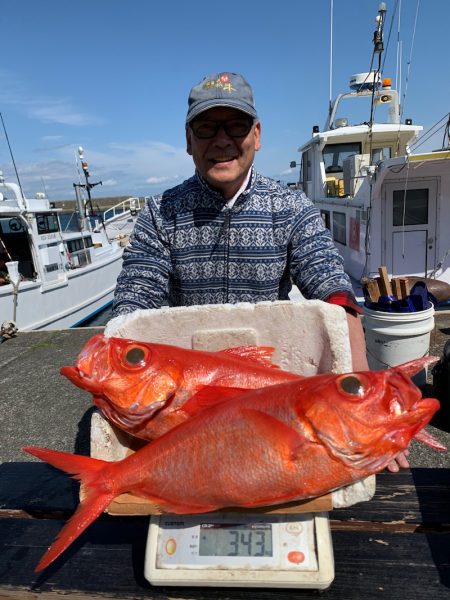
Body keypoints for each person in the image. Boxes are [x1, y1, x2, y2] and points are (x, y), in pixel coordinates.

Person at [112, 72, 408, 472]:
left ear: (257, 134)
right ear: (188, 140)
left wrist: (364, 406)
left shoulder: (292, 207)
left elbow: (336, 295)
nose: (221, 140)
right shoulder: (158, 214)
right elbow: (132, 309)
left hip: (272, 397)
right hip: (184, 397)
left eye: (235, 125)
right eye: (206, 127)